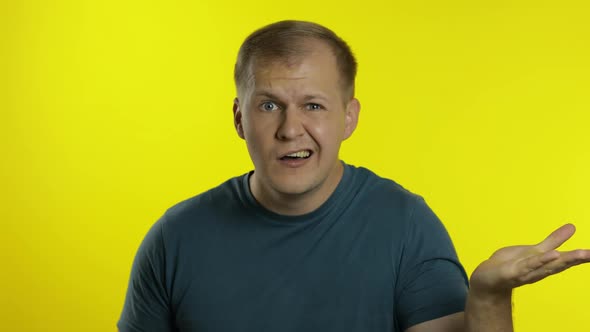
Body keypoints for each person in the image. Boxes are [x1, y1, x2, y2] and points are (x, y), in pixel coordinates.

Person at [117, 20, 590, 332]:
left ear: (348, 117)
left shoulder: (406, 226)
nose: (289, 129)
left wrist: (488, 297)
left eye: (314, 106)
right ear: (240, 118)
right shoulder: (174, 238)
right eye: (268, 106)